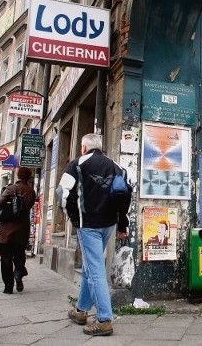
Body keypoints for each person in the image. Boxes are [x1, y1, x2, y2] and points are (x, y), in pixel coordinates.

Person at [57, 133, 129, 337]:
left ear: (83, 147)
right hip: (109, 224)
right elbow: (124, 195)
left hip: (88, 224)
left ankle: (105, 319)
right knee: (91, 267)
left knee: (95, 269)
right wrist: (122, 223)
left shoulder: (78, 164)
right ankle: (81, 311)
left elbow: (62, 192)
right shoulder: (116, 166)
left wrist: (72, 216)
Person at [0, 166, 36, 294]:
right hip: (22, 229)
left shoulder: (10, 188)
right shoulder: (31, 191)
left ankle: (8, 286)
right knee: (19, 255)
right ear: (28, 177)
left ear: (18, 175)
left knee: (6, 258)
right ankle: (18, 272)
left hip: (7, 230)